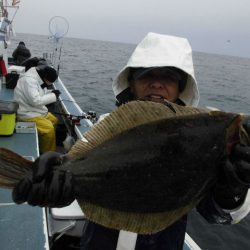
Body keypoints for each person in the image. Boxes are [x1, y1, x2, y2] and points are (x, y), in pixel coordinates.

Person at [12, 33, 250, 250]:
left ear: (181, 88)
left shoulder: (198, 139)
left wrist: (232, 192)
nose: (157, 83)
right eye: (147, 74)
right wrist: (59, 178)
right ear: (131, 82)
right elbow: (88, 175)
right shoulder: (108, 127)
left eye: (169, 76)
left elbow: (218, 214)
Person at [14, 65, 61, 153]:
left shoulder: (36, 78)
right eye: (50, 82)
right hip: (27, 113)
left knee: (54, 120)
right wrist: (53, 96)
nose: (49, 84)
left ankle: (44, 141)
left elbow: (38, 93)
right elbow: (35, 101)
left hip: (35, 110)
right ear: (46, 78)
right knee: (48, 129)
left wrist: (51, 92)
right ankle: (47, 153)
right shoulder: (29, 81)